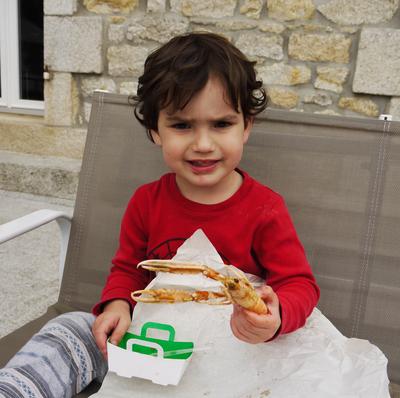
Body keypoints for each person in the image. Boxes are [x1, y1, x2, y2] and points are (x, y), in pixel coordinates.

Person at [0, 32, 319, 398]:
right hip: (152, 346)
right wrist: (118, 303)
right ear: (155, 130)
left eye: (221, 124)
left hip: (232, 351)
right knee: (72, 329)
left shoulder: (265, 209)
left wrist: (275, 318)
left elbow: (300, 284)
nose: (202, 144)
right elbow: (126, 269)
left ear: (246, 126)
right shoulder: (146, 202)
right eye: (182, 125)